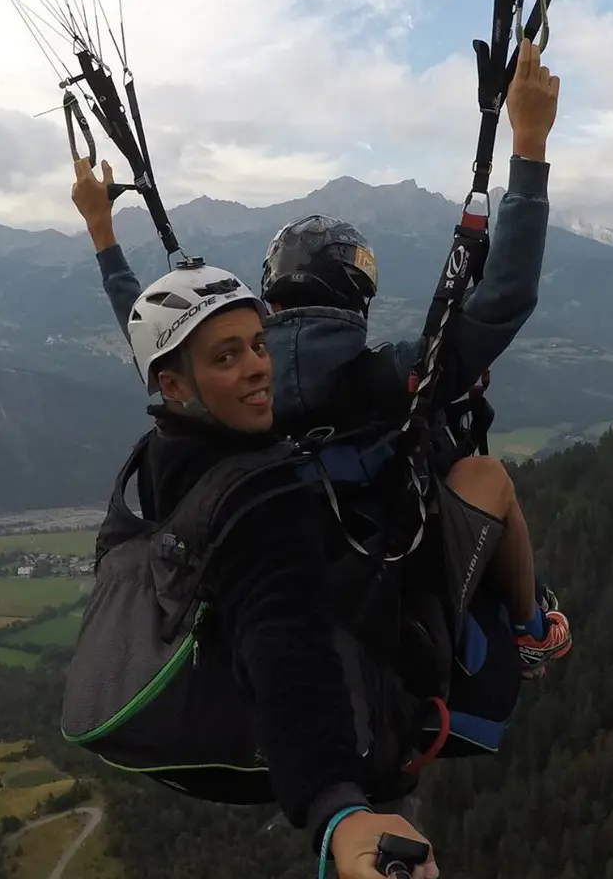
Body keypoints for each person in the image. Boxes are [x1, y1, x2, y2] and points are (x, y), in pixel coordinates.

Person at [70, 39, 572, 677]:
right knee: (485, 478)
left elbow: (145, 326)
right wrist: (528, 143)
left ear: (271, 296)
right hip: (379, 591)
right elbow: (504, 297)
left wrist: (101, 231)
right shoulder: (395, 376)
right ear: (357, 291)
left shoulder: (230, 378)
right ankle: (534, 631)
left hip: (271, 584)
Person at [100, 260, 441, 879]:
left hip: (219, 699)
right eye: (227, 358)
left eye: (258, 344)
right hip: (337, 734)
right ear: (175, 384)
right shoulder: (263, 496)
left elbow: (147, 331)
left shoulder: (162, 451)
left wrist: (103, 234)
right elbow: (285, 643)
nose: (258, 367)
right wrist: (337, 806)